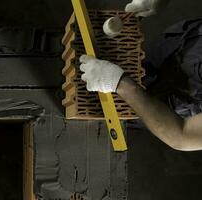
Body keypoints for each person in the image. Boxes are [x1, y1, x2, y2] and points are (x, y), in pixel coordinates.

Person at [80, 0, 202, 151]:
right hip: (182, 44)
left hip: (165, 100)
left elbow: (182, 135)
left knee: (110, 109)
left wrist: (121, 84)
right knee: (132, 59)